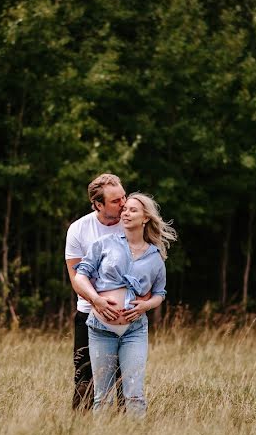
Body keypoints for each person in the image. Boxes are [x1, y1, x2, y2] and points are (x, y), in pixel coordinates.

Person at [71, 192, 176, 417]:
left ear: (146, 218)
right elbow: (80, 276)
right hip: (101, 330)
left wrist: (146, 306)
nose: (126, 213)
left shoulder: (155, 256)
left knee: (134, 394)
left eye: (132, 210)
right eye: (125, 209)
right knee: (102, 396)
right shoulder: (103, 244)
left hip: (134, 331)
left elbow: (160, 293)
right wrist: (97, 300)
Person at [65, 173, 127, 410]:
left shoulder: (132, 222)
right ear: (98, 204)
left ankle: (130, 433)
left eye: (124, 197)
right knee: (84, 378)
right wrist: (97, 301)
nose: (123, 204)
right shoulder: (79, 229)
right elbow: (76, 278)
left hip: (126, 315)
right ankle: (79, 432)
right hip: (89, 314)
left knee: (127, 379)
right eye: (115, 201)